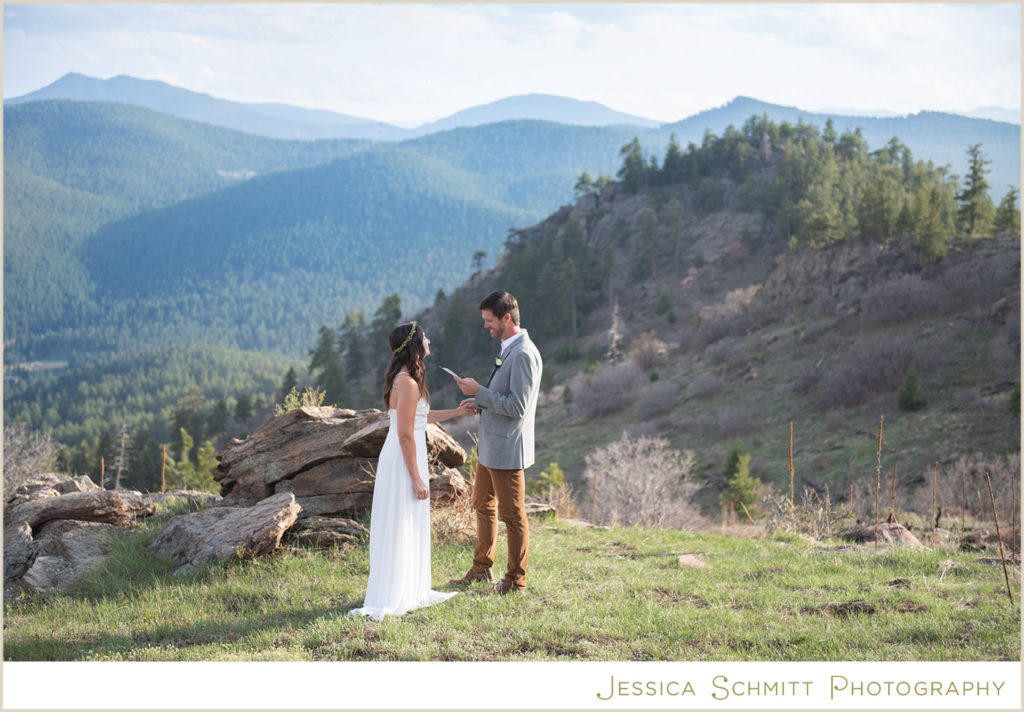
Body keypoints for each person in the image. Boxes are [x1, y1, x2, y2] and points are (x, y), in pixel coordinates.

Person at [348, 321, 472, 620]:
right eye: (425, 337)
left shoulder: (405, 380)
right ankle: (395, 593)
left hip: (402, 454)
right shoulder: (407, 383)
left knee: (406, 521)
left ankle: (407, 587)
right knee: (401, 520)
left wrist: (457, 412)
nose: (429, 341)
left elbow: (419, 418)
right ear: (415, 344)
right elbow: (405, 433)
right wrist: (417, 477)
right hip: (403, 457)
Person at [450, 291, 543, 595]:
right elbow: (503, 397)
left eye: (489, 321)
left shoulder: (524, 354)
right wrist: (480, 402)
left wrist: (480, 391)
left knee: (513, 517)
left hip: (507, 449)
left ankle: (516, 581)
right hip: (490, 447)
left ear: (506, 318)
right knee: (482, 505)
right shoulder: (509, 349)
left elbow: (518, 407)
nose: (485, 326)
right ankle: (481, 569)